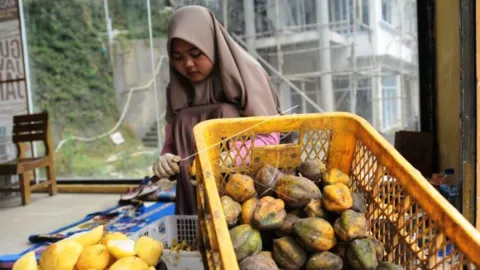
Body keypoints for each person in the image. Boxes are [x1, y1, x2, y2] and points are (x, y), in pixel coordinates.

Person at [152, 5, 282, 215]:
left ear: (212, 44)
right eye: (177, 57)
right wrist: (166, 159)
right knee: (184, 118)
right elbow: (171, 143)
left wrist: (221, 160)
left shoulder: (246, 75)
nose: (188, 64)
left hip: (245, 192)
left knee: (226, 111)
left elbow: (270, 140)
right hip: (193, 188)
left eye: (196, 53)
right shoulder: (177, 88)